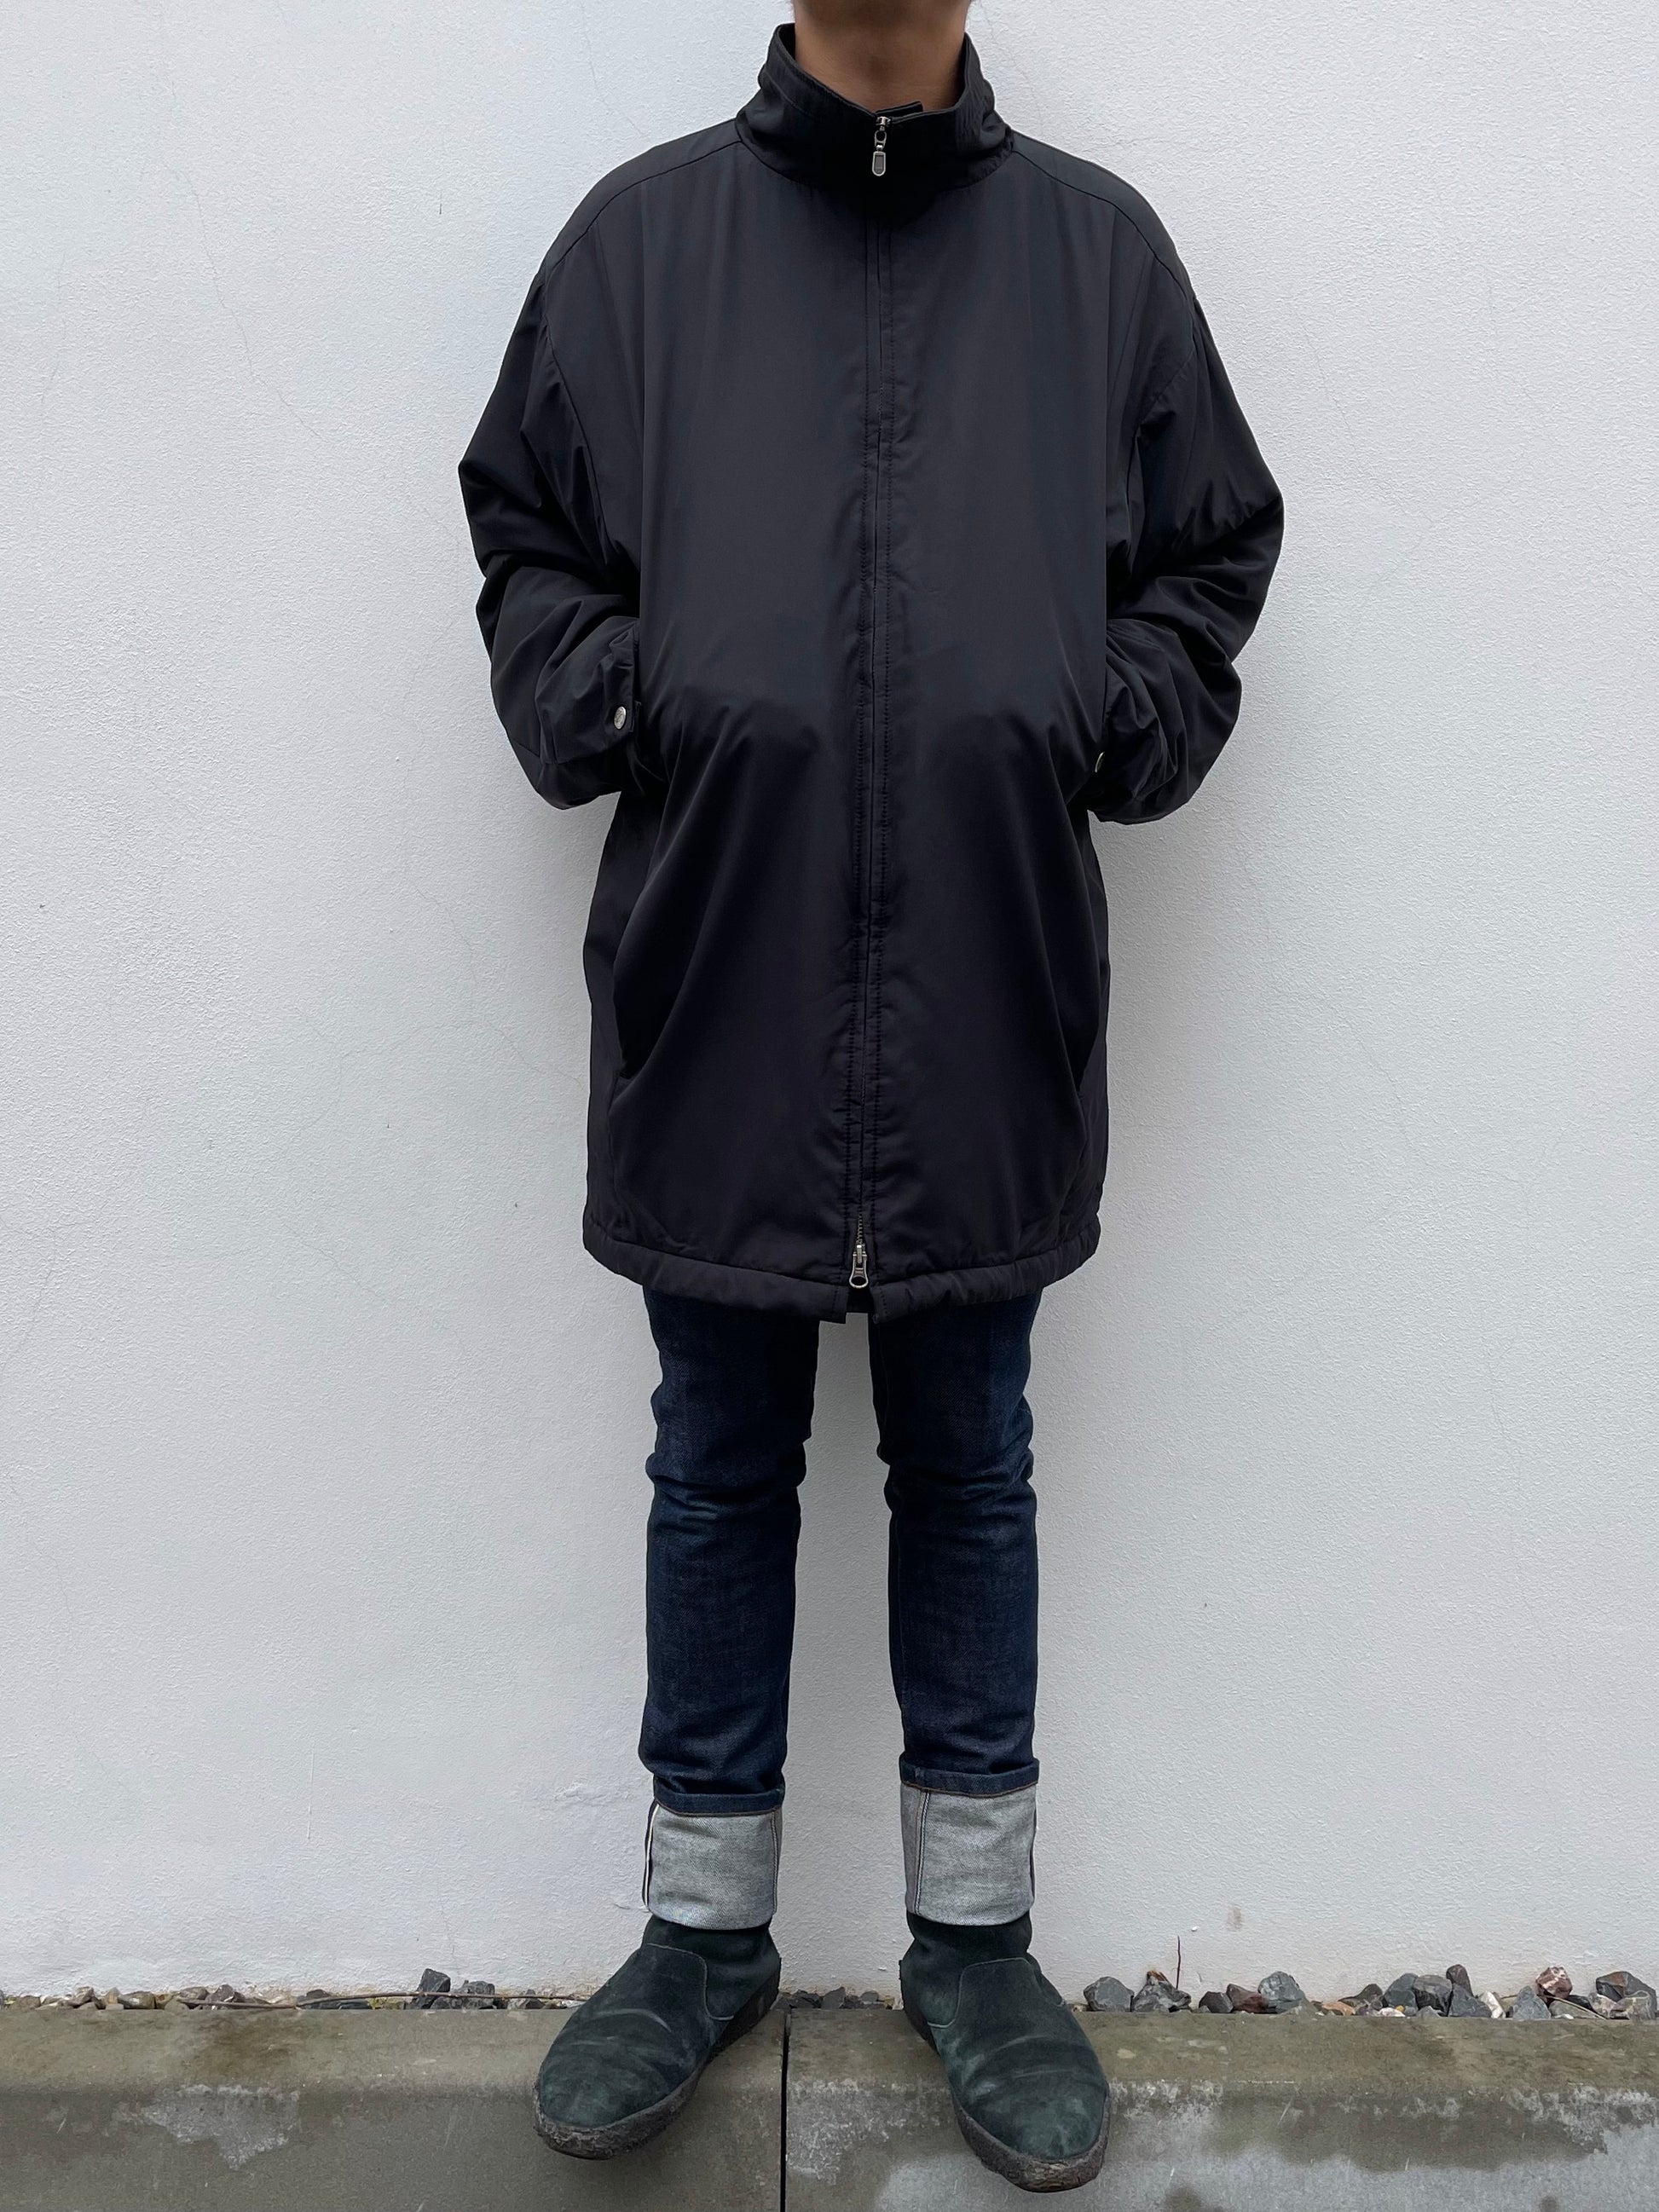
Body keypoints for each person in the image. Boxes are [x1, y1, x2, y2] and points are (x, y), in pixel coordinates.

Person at [459, 0, 1280, 2189]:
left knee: (971, 1461)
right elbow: (526, 530)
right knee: (715, 1465)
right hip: (719, 974)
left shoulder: (1097, 259)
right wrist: (627, 691)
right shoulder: (642, 247)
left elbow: (1210, 553)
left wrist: (1098, 712)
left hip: (983, 992)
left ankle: (975, 1941)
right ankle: (699, 1934)